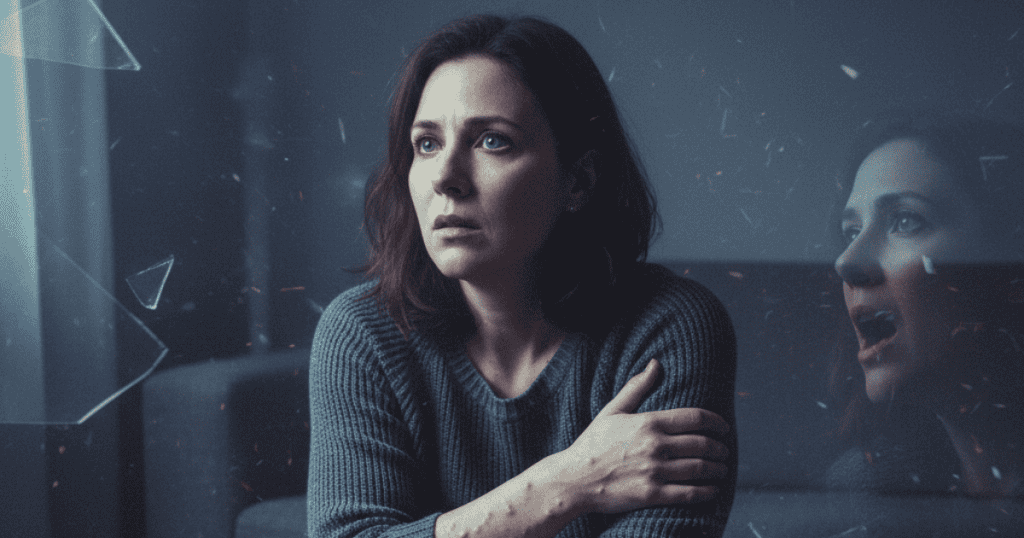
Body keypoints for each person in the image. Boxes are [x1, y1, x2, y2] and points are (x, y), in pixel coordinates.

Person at [307, 14, 738, 538]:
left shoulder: (669, 328)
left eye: (492, 141)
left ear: (577, 181)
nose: (445, 178)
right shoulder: (363, 334)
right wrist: (568, 482)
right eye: (426, 144)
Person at [828, 111, 1024, 498]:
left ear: (1008, 264)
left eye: (905, 220)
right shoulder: (863, 494)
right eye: (851, 231)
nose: (846, 262)